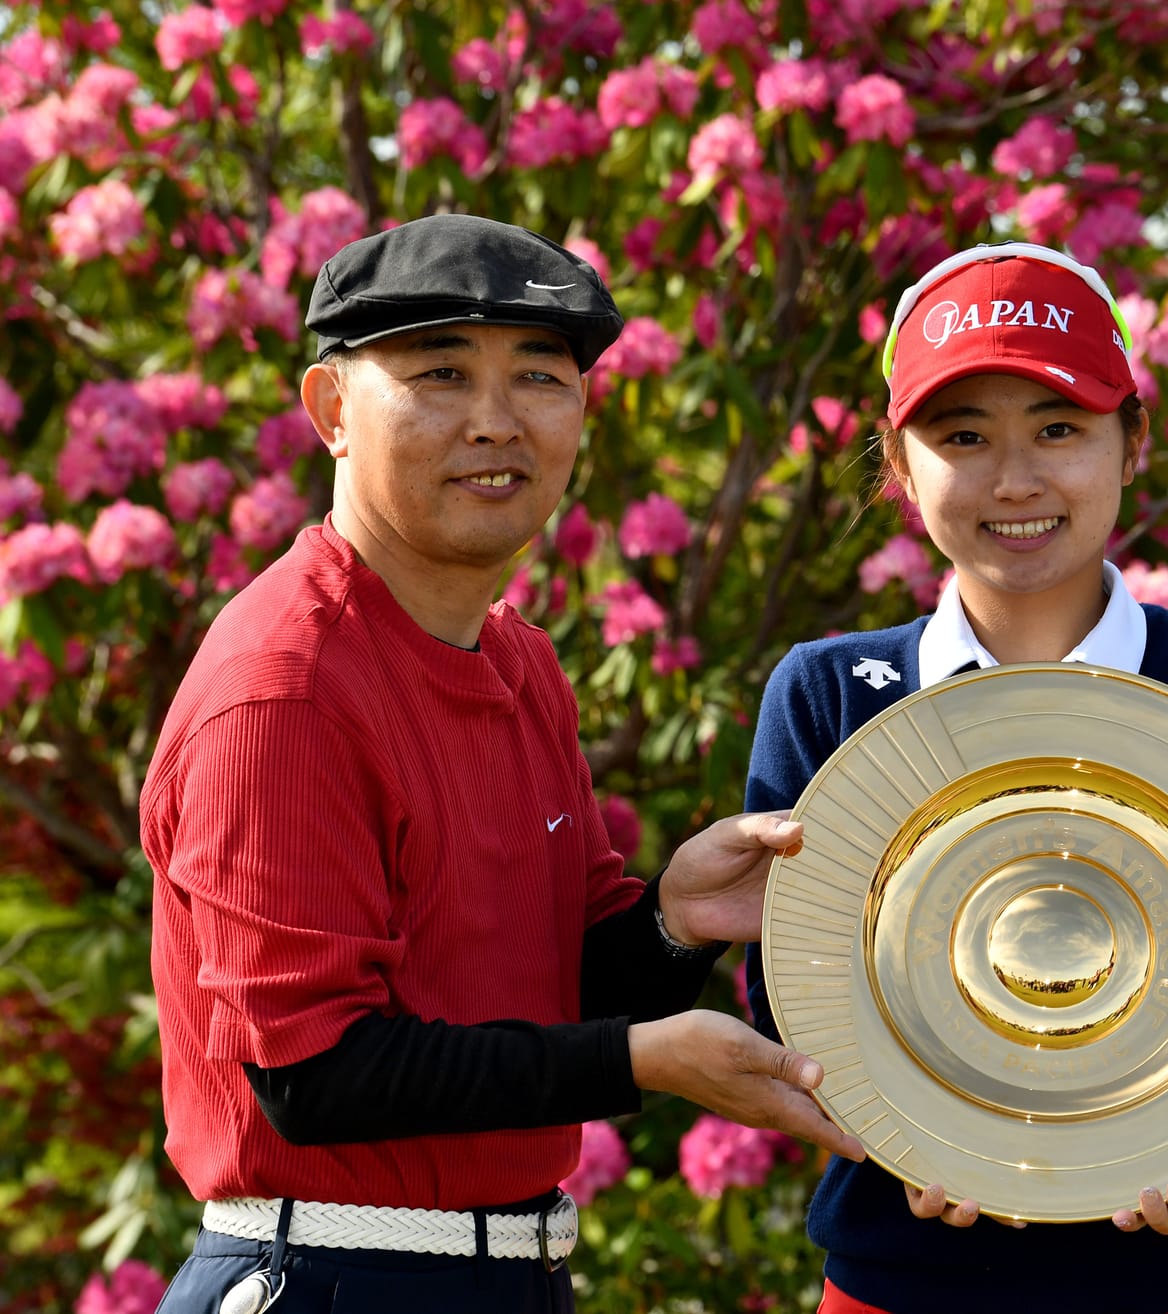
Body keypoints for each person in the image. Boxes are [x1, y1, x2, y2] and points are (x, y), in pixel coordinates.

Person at [142, 213, 863, 1314]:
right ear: (332, 410)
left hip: (509, 1275)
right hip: (325, 1281)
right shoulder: (282, 688)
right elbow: (317, 1077)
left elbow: (555, 993)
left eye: (539, 377)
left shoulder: (518, 658)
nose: (495, 421)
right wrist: (638, 1061)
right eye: (439, 373)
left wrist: (672, 920)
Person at [740, 242, 1168, 1314]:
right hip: (903, 1278)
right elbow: (790, 1003)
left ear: (1132, 441)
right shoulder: (828, 693)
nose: (1013, 480)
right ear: (897, 460)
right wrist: (908, 1138)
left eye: (1057, 429)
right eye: (961, 437)